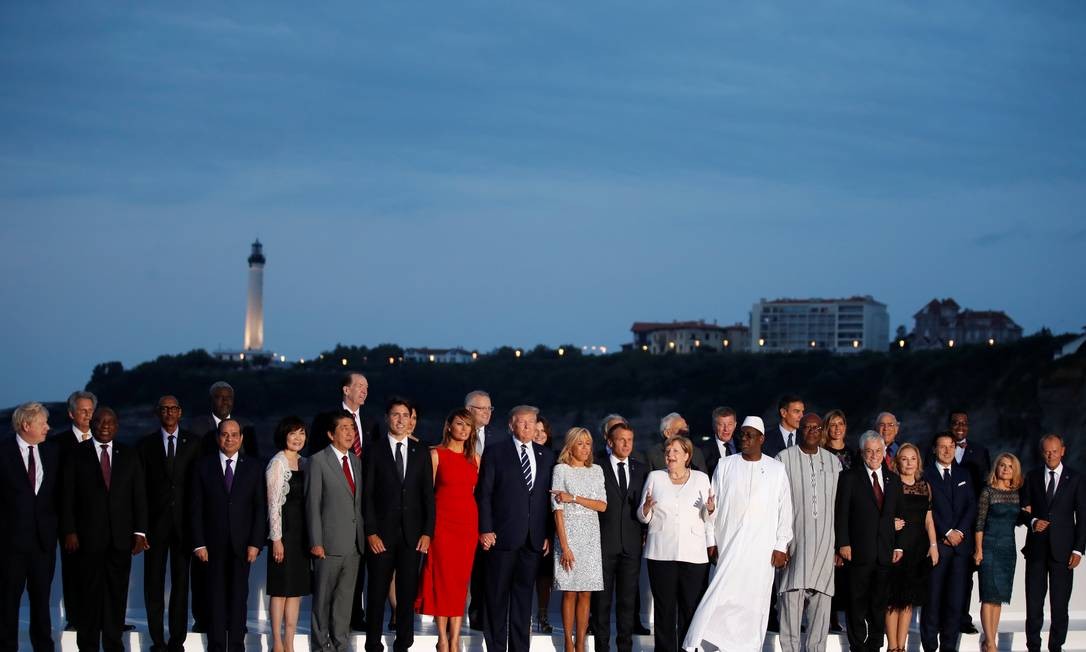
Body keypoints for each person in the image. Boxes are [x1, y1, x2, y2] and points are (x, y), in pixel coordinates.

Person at [684, 417, 793, 652]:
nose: (744, 439)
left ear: (761, 439)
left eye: (749, 435)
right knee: (717, 599)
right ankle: (702, 644)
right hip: (729, 547)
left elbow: (785, 509)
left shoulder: (776, 469)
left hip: (762, 551)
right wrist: (710, 541)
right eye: (742, 435)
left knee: (754, 605)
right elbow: (714, 504)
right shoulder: (726, 465)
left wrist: (781, 545)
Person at [59, 407, 149, 652]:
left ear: (117, 426)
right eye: (100, 422)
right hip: (86, 540)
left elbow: (139, 496)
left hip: (120, 540)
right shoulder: (76, 454)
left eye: (110, 422)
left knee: (116, 594)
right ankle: (87, 645)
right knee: (88, 595)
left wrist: (140, 533)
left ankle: (113, 644)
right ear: (92, 424)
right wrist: (69, 531)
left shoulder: (129, 455)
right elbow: (66, 496)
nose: (105, 426)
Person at [476, 405, 556, 652]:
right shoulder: (495, 452)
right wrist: (486, 529)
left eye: (531, 423)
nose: (526, 427)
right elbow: (484, 494)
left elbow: (546, 499)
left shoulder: (546, 456)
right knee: (497, 599)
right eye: (521, 422)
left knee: (523, 602)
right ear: (511, 425)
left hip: (532, 541)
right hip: (502, 538)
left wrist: (546, 534)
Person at [363, 397, 435, 652]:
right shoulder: (374, 450)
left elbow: (428, 495)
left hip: (412, 536)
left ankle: (404, 643)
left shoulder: (421, 451)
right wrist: (370, 532)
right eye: (396, 414)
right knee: (376, 594)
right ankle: (373, 643)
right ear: (387, 418)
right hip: (380, 535)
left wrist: (427, 532)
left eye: (406, 415)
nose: (401, 419)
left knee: (406, 595)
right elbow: (367, 496)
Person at [190, 418, 267, 652]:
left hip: (242, 545)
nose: (229, 438)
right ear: (217, 437)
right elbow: (195, 508)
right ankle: (215, 646)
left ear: (241, 438)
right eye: (225, 434)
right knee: (215, 597)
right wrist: (199, 543)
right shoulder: (203, 466)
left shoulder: (253, 467)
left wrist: (255, 543)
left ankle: (235, 646)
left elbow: (259, 507)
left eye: (234, 434)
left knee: (238, 598)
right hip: (211, 546)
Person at [638, 436, 714, 652]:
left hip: (694, 554)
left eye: (675, 452)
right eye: (668, 451)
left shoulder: (701, 479)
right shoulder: (655, 477)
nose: (670, 455)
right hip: (660, 553)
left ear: (687, 456)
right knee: (664, 609)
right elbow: (643, 516)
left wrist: (710, 510)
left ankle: (688, 649)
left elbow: (709, 518)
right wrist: (645, 509)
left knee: (690, 608)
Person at [137, 395, 201, 652]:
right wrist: (140, 529)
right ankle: (157, 640)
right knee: (153, 584)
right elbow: (139, 490)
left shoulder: (194, 443)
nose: (169, 413)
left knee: (181, 584)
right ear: (157, 412)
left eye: (173, 408)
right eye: (164, 409)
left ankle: (177, 640)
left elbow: (198, 487)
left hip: (184, 525)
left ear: (180, 412)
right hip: (155, 525)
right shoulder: (145, 445)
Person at [416, 408, 480, 652]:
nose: (463, 429)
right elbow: (427, 496)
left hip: (467, 526)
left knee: (460, 583)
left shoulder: (475, 459)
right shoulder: (435, 454)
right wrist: (427, 529)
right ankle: (442, 638)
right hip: (442, 525)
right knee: (442, 580)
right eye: (459, 424)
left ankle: (455, 640)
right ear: (449, 426)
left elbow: (477, 495)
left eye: (468, 426)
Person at [776, 413, 841, 652]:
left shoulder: (834, 463)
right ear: (799, 430)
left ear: (822, 430)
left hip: (825, 548)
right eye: (807, 427)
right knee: (790, 612)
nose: (812, 431)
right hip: (794, 547)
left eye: (816, 427)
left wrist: (839, 546)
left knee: (820, 617)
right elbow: (776, 504)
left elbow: (839, 507)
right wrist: (781, 546)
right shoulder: (783, 459)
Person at [835, 430, 903, 652]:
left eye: (878, 450)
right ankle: (858, 645)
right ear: (862, 453)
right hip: (858, 551)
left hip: (884, 552)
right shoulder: (849, 477)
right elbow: (842, 513)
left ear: (885, 452)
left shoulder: (892, 479)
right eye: (869, 451)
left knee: (879, 602)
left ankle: (875, 643)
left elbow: (898, 515)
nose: (874, 455)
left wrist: (898, 545)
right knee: (856, 600)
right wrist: (843, 543)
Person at [2, 402, 60, 652]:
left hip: (43, 542)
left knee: (41, 603)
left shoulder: (51, 452)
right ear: (26, 425)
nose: (48, 427)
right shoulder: (2, 453)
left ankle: (43, 648)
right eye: (42, 423)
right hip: (10, 543)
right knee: (7, 603)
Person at [307, 412, 365, 652]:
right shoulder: (318, 461)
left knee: (344, 602)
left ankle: (341, 645)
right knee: (322, 602)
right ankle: (321, 646)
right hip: (328, 544)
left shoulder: (356, 461)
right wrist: (316, 541)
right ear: (331, 434)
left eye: (352, 427)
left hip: (354, 546)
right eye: (344, 428)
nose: (350, 432)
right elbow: (312, 505)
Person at [1021, 434, 1084, 652]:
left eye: (1055, 451)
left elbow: (1082, 517)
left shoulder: (1075, 478)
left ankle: (1056, 647)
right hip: (1037, 550)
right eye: (1047, 451)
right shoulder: (1032, 476)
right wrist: (1033, 521)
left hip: (1064, 551)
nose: (1051, 455)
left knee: (1059, 606)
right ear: (1042, 452)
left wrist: (1078, 549)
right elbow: (1022, 511)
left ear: (1063, 451)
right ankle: (1034, 647)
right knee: (1034, 605)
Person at [592, 421, 648, 652]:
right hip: (604, 544)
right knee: (602, 603)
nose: (627, 444)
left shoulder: (641, 469)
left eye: (630, 440)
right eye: (622, 439)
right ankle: (601, 648)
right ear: (610, 442)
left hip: (631, 546)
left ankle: (625, 648)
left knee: (627, 603)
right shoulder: (597, 466)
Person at [550, 427, 607, 652]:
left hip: (591, 537)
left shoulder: (597, 471)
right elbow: (557, 509)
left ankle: (581, 642)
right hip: (568, 537)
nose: (585, 448)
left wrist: (573, 498)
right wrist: (564, 546)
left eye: (588, 443)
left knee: (586, 592)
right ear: (570, 446)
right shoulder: (560, 470)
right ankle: (568, 641)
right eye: (581, 443)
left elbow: (602, 505)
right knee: (570, 591)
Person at [921, 432, 977, 652]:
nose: (947, 450)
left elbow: (971, 505)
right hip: (938, 546)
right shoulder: (925, 474)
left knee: (955, 601)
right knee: (932, 599)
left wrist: (960, 531)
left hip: (961, 548)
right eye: (942, 446)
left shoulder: (964, 474)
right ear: (934, 449)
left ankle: (949, 647)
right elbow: (927, 509)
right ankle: (929, 645)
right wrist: (946, 532)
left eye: (951, 446)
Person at [50, 389, 97, 632]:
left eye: (91, 410)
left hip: (101, 521)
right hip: (71, 521)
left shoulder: (105, 439)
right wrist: (67, 526)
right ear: (71, 414)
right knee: (73, 571)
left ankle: (103, 618)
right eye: (83, 410)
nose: (88, 415)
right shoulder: (57, 444)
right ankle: (76, 619)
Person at [885, 443, 938, 652]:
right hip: (897, 546)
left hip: (918, 546)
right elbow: (882, 514)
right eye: (904, 458)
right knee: (893, 599)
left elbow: (929, 520)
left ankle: (902, 646)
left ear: (918, 462)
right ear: (898, 462)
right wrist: (890, 525)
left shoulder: (925, 486)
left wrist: (933, 545)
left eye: (913, 458)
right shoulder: (891, 484)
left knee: (908, 600)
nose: (909, 462)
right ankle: (892, 646)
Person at [265, 417, 311, 652]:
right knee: (280, 589)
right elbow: (273, 505)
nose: (297, 438)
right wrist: (276, 539)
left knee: (296, 590)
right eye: (293, 433)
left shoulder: (305, 462)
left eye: (301, 433)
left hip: (302, 536)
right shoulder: (277, 463)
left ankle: (290, 642)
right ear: (284, 436)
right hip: (284, 535)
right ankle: (277, 641)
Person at [973, 453, 1026, 652]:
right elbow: (979, 522)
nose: (1005, 469)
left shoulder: (1017, 493)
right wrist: (978, 550)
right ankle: (991, 644)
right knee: (988, 596)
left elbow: (1018, 519)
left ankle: (989, 641)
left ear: (1015, 471)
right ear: (996, 468)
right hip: (989, 546)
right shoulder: (988, 491)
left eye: (1010, 466)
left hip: (1008, 549)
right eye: (1002, 465)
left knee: (999, 598)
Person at [948, 409, 990, 636]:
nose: (960, 426)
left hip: (970, 523)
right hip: (944, 522)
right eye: (955, 423)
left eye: (963, 422)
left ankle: (963, 618)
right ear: (949, 425)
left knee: (966, 575)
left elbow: (986, 487)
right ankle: (946, 617)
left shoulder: (981, 451)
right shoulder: (940, 447)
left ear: (968, 425)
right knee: (942, 574)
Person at [464, 389, 495, 631]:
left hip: (491, 510)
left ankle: (482, 614)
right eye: (481, 408)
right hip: (463, 508)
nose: (487, 413)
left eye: (489, 409)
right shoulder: (457, 436)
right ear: (468, 410)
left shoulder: (497, 439)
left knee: (487, 566)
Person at [821, 408, 851, 633]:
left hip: (848, 514)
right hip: (825, 513)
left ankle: (845, 613)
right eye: (832, 424)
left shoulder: (854, 454)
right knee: (826, 567)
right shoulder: (820, 452)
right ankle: (828, 616)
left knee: (845, 569)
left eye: (840, 424)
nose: (837, 428)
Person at [191, 380, 260, 458]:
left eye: (229, 397)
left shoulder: (246, 426)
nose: (225, 401)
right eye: (219, 397)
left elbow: (253, 458)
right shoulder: (198, 426)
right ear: (210, 400)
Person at [533, 416, 556, 633]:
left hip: (546, 525)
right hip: (521, 526)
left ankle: (543, 616)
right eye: (536, 430)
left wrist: (549, 533)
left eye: (544, 431)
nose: (540, 434)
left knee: (544, 576)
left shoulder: (553, 459)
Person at [764, 393, 804, 459]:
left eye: (802, 412)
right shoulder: (766, 440)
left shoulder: (805, 438)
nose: (801, 416)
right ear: (783, 413)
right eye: (797, 411)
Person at [702, 406, 738, 477]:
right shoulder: (704, 450)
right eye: (721, 425)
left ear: (735, 425)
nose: (726, 429)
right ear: (714, 426)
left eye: (730, 424)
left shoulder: (743, 446)